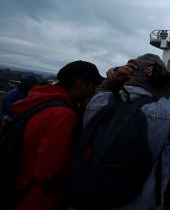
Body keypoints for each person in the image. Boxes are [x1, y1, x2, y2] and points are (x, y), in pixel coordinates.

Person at [83, 54, 170, 209]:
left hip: (90, 195)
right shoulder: (161, 111)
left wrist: (113, 79)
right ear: (160, 82)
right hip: (137, 200)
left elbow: (101, 90)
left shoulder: (99, 103)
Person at [9, 61, 104, 210]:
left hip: (17, 187)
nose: (94, 91)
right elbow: (47, 171)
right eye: (93, 85)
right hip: (38, 199)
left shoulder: (38, 100)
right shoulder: (62, 115)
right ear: (80, 84)